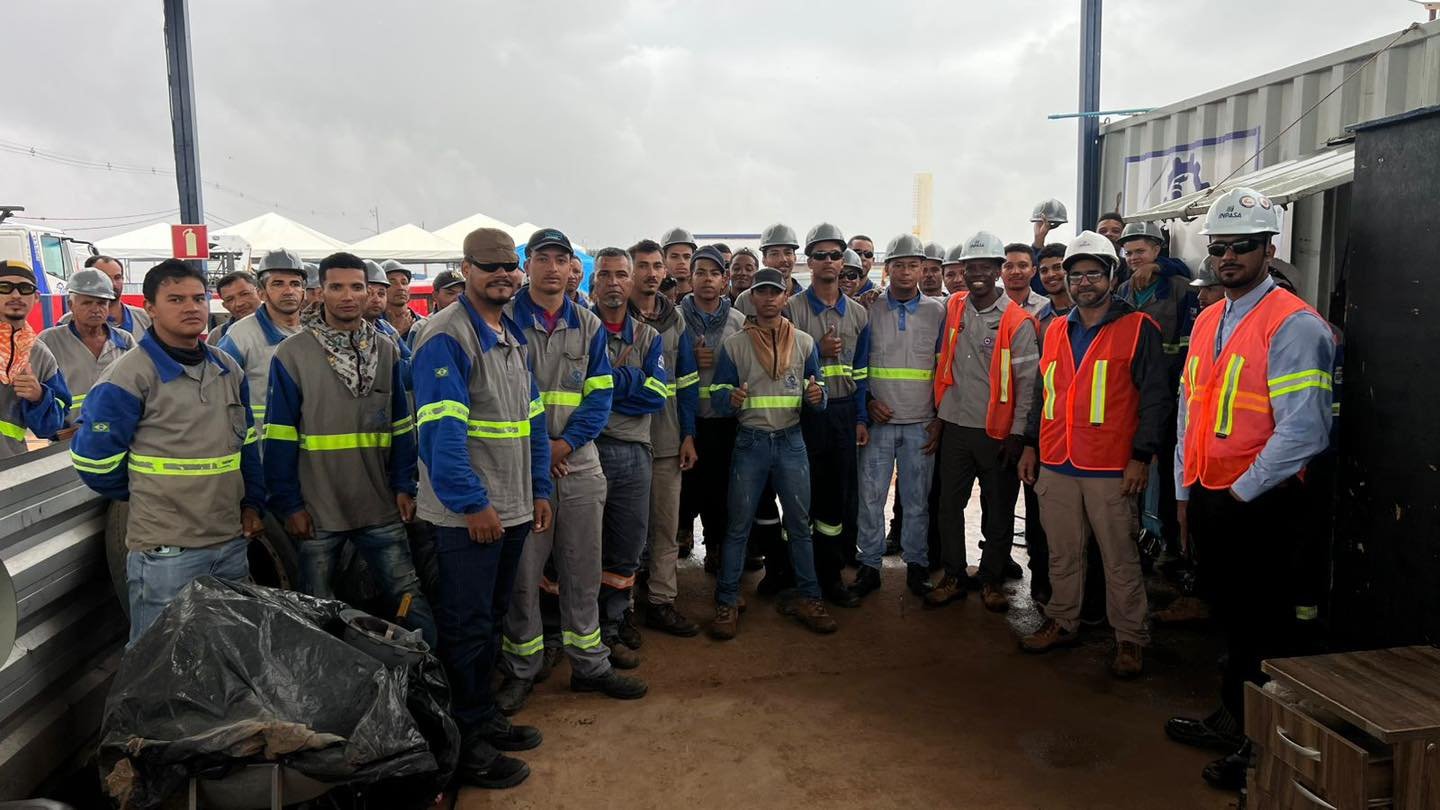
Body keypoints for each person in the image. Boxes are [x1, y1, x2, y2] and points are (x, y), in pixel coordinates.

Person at [1163, 188, 1335, 792]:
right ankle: (1231, 717)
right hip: (1214, 493)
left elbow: (1305, 430)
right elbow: (1192, 407)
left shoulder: (1294, 325)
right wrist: (1187, 488)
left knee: (1266, 627)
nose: (1228, 256)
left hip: (1263, 502)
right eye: (1219, 247)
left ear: (1269, 249)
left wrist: (1240, 492)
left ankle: (1259, 749)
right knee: (1231, 617)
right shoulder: (1210, 317)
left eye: (1242, 246)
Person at [410, 228, 551, 789]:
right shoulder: (445, 337)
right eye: (488, 265)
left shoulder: (510, 334)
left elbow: (532, 424)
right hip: (469, 517)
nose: (502, 274)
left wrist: (539, 489)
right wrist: (473, 504)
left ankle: (483, 716)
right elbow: (441, 437)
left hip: (513, 508)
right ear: (464, 268)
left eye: (508, 265)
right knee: (466, 629)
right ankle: (465, 746)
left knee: (489, 623)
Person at [71, 259, 263, 644]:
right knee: (157, 659)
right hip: (167, 552)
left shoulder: (227, 368)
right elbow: (94, 461)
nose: (191, 307)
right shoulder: (130, 375)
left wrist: (252, 504)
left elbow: (247, 446)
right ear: (151, 309)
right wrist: (148, 491)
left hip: (228, 542)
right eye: (175, 299)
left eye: (197, 297)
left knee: (229, 651)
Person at [495, 227, 646, 713]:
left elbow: (600, 395)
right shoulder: (503, 321)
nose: (553, 267)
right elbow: (505, 396)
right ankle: (523, 667)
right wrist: (544, 450)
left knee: (583, 566)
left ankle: (590, 663)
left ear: (569, 268)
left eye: (561, 259)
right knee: (525, 572)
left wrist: (565, 444)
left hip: (577, 461)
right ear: (529, 264)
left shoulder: (588, 324)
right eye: (543, 258)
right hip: (521, 466)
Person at [263, 251, 436, 648]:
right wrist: (289, 505)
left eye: (357, 286)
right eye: (336, 287)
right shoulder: (292, 355)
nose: (348, 295)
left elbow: (401, 428)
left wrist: (403, 486)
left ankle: (433, 678)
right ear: (319, 292)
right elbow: (279, 437)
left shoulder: (387, 351)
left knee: (408, 598)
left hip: (380, 507)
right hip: (318, 512)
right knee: (315, 611)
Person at [1016, 231, 1170, 678]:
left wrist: (1141, 457)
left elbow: (1155, 401)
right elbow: (1043, 396)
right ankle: (1063, 620)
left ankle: (1129, 637)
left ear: (1111, 276)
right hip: (1057, 460)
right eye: (1076, 274)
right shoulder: (1056, 328)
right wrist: (1031, 445)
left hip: (1110, 466)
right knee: (1063, 552)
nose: (1083, 282)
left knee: (1119, 556)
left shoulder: (1140, 328)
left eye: (1093, 274)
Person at [708, 267, 834, 638]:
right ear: (752, 298)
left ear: (785, 295)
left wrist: (817, 398)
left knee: (800, 526)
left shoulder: (805, 343)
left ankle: (809, 597)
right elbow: (717, 396)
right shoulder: (734, 345)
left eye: (774, 292)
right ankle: (727, 601)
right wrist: (728, 398)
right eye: (761, 292)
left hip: (791, 441)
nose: (768, 298)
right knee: (737, 526)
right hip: (751, 441)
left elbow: (819, 391)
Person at [928, 231, 1039, 612]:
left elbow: (1027, 386)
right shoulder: (955, 305)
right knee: (948, 506)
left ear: (998, 271)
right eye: (969, 268)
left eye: (984, 268)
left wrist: (1019, 434)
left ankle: (991, 580)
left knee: (999, 509)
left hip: (997, 433)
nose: (975, 275)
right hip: (956, 426)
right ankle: (955, 575)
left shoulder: (1018, 321)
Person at [851, 235, 945, 599]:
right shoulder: (867, 310)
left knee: (917, 499)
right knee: (870, 497)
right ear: (886, 270)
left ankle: (917, 565)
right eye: (899, 265)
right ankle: (869, 565)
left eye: (914, 265)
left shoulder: (938, 312)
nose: (906, 272)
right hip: (879, 423)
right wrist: (870, 400)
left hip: (921, 421)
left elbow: (944, 368)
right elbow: (857, 365)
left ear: (923, 269)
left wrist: (938, 418)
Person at [589, 247, 669, 668]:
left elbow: (656, 396)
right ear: (594, 281)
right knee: (580, 547)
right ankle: (568, 629)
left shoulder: (649, 337)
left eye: (622, 274)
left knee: (626, 546)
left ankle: (614, 623)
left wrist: (607, 382)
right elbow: (575, 395)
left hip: (635, 453)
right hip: (588, 451)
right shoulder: (579, 331)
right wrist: (631, 379)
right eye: (606, 274)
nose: (615, 282)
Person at [787, 223, 869, 608]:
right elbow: (780, 367)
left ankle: (831, 575)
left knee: (835, 500)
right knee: (800, 497)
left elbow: (864, 371)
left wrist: (860, 418)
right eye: (819, 255)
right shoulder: (791, 310)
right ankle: (795, 574)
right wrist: (816, 351)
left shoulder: (858, 314)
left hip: (841, 413)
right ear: (809, 261)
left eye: (835, 255)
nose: (828, 262)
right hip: (802, 416)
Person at [628, 239, 701, 636]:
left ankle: (660, 601)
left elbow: (687, 381)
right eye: (643, 266)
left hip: (668, 441)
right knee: (622, 531)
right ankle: (620, 610)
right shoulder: (611, 318)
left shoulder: (676, 321)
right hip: (621, 441)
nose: (652, 273)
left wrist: (688, 434)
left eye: (657, 266)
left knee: (664, 528)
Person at [1117, 221, 1196, 565]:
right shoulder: (1122, 291)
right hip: (1128, 399)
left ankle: (1167, 545)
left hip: (1167, 399)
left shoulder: (1180, 289)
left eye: (1141, 251)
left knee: (1165, 474)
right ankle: (1134, 537)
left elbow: (1187, 347)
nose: (1134, 258)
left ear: (1157, 251)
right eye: (1129, 252)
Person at [679, 246, 748, 573]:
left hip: (724, 421)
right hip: (686, 418)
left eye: (714, 273)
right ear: (690, 278)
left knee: (721, 489)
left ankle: (716, 545)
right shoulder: (676, 318)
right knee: (685, 486)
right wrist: (689, 359)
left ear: (724, 280)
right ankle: (680, 535)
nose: (707, 279)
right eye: (700, 272)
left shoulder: (737, 320)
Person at [217, 249, 306, 434]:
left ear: (303, 292)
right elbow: (217, 395)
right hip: (262, 452)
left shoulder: (317, 333)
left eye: (295, 284)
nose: (289, 291)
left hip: (309, 450)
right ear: (262, 293)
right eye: (278, 284)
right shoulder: (240, 336)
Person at [38, 267, 133, 425]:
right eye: (87, 303)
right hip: (66, 439)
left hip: (117, 435)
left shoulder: (124, 341)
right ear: (71, 305)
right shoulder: (50, 341)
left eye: (102, 303)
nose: (95, 309)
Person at [0, 260, 70, 457]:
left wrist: (39, 397)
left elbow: (50, 427)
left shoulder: (40, 355)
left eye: (25, 288)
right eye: (5, 287)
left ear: (36, 297)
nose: (15, 295)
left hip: (9, 468)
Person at [733, 223, 802, 317]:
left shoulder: (806, 300)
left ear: (794, 257)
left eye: (788, 253)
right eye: (774, 254)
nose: (783, 259)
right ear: (764, 260)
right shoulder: (745, 301)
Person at [83, 255, 151, 339]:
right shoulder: (70, 322)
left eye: (117, 277)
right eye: (105, 278)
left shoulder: (146, 319)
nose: (113, 284)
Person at [208, 270, 260, 345]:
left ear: (259, 292)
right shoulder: (217, 337)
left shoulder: (281, 326)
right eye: (230, 299)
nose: (239, 303)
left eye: (245, 294)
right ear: (225, 306)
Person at [381, 259, 425, 344]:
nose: (400, 287)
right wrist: (396, 332)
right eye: (392, 283)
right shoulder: (373, 325)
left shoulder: (423, 323)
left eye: (404, 282)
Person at [1002, 242, 1053, 317]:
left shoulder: (1046, 307)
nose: (1015, 272)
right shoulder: (988, 305)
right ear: (999, 272)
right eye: (1009, 266)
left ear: (1033, 271)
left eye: (1022, 266)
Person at [660, 228, 696, 303]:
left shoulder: (703, 297)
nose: (682, 262)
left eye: (687, 257)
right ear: (664, 259)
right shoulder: (653, 298)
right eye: (674, 256)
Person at [1035, 243, 1072, 316]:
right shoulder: (1038, 316)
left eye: (1057, 267)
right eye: (1044, 270)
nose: (1050, 274)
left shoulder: (1088, 309)